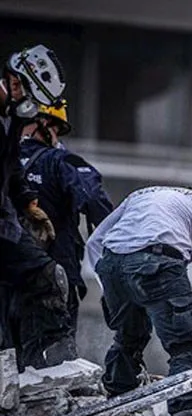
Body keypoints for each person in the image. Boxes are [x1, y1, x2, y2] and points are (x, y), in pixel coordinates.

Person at [86, 185, 192, 416]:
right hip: (159, 261)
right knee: (186, 346)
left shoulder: (141, 193)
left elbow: (94, 242)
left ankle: (118, 400)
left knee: (128, 337)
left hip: (112, 263)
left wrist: (109, 288)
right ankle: (185, 413)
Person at [0, 45, 72, 368]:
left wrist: (28, 202)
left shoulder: (10, 120)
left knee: (46, 276)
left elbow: (11, 165)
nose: (34, 113)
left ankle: (42, 369)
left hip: (5, 223)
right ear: (16, 84)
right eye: (32, 102)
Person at [19, 100, 113, 334]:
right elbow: (94, 200)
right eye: (56, 129)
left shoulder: (6, 161)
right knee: (55, 348)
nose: (57, 138)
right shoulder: (61, 161)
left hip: (9, 277)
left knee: (8, 350)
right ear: (42, 123)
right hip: (53, 274)